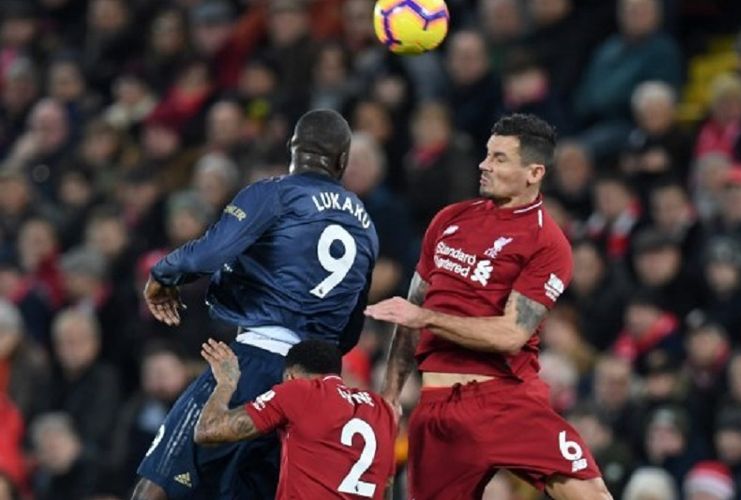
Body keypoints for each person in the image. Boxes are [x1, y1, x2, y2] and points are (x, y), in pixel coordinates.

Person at [132, 109, 379, 500]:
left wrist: (163, 274)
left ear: (293, 150)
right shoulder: (367, 226)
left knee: (161, 480)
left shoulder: (276, 193)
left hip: (252, 360)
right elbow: (350, 328)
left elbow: (207, 255)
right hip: (310, 387)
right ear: (342, 161)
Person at [366, 113, 612, 499]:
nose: (484, 165)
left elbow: (511, 334)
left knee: (590, 494)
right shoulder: (448, 220)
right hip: (436, 410)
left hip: (503, 401)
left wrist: (426, 317)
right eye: (486, 155)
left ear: (534, 172)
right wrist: (390, 396)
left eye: (499, 158)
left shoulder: (548, 243)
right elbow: (409, 314)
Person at [194, 338, 397, 499]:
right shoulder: (381, 409)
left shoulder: (300, 392)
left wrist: (226, 383)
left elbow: (208, 430)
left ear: (290, 376)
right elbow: (386, 485)